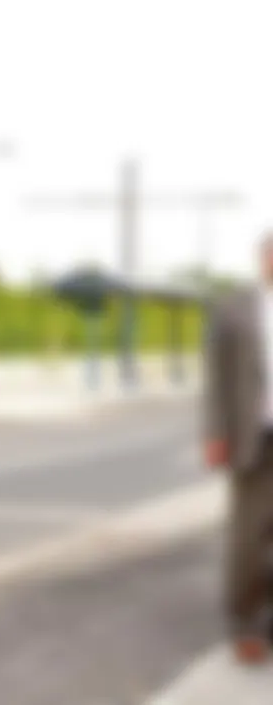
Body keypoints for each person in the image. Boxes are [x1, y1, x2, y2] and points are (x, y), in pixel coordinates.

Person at [202, 230, 273, 664]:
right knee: (249, 536)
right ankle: (246, 624)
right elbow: (217, 379)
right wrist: (216, 433)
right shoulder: (235, 309)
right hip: (254, 438)